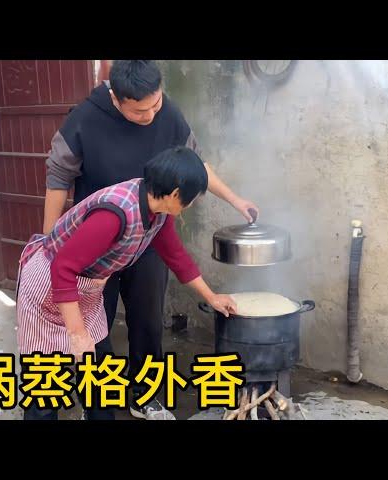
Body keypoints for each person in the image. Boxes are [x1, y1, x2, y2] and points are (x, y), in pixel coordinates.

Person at [43, 60, 257, 420]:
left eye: (156, 104)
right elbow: (58, 176)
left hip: (146, 229)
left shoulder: (166, 116)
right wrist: (49, 240)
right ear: (116, 97)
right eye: (140, 110)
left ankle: (145, 395)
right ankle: (98, 403)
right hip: (97, 244)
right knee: (95, 326)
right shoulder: (85, 119)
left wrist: (236, 200)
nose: (151, 115)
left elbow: (194, 167)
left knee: (147, 320)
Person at [19, 147, 237, 420]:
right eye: (191, 200)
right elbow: (63, 268)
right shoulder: (114, 214)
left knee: (99, 369)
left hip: (85, 289)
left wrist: (211, 296)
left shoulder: (157, 213)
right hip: (48, 288)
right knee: (46, 378)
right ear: (175, 194)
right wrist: (76, 333)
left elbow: (176, 256)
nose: (190, 206)